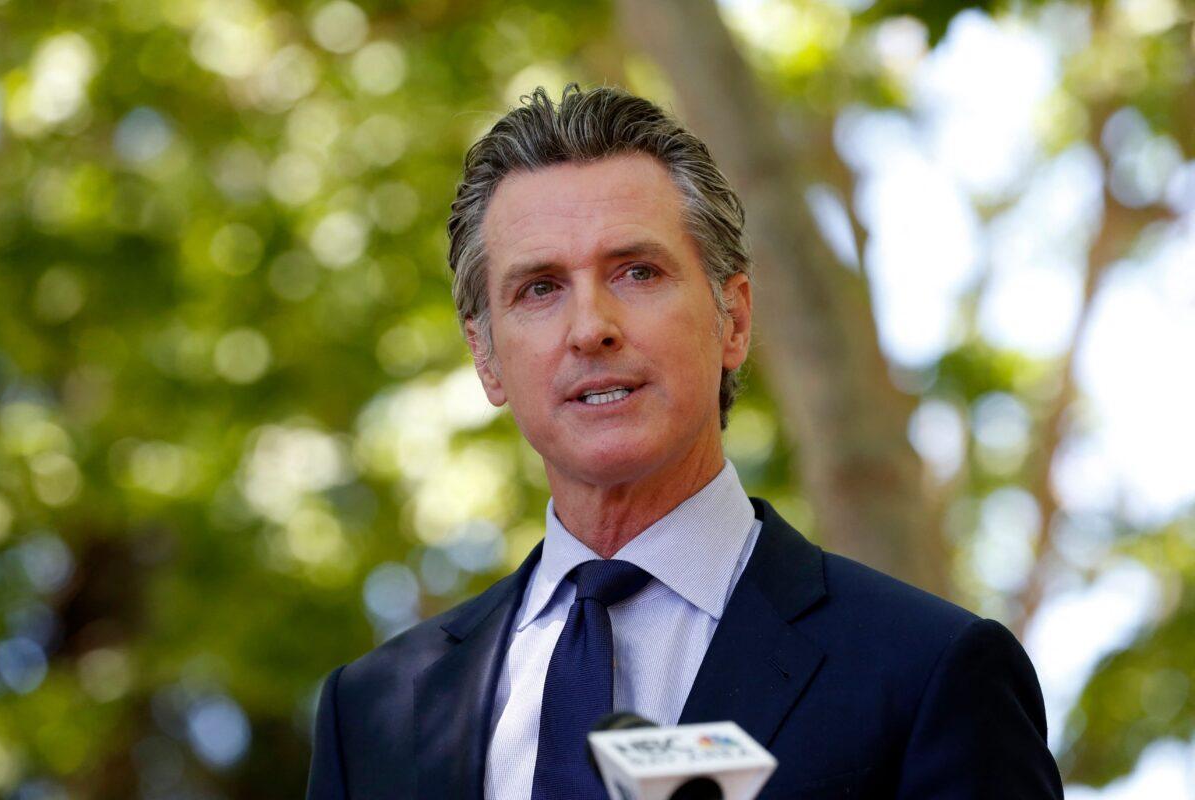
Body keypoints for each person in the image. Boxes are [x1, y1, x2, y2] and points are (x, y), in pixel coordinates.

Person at [305, 84, 1063, 800]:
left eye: (636, 271)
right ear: (486, 356)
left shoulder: (927, 670)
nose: (590, 327)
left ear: (732, 320)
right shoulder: (372, 711)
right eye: (540, 288)